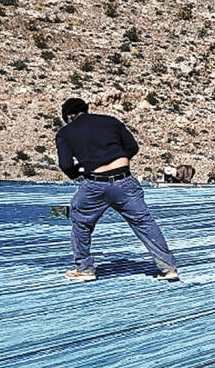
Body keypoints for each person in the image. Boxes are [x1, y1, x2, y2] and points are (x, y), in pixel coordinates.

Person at [54, 97, 179, 283]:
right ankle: (168, 268)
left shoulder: (65, 133)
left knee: (81, 221)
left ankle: (84, 269)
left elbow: (65, 164)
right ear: (85, 110)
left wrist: (79, 171)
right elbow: (132, 147)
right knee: (145, 223)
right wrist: (115, 160)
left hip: (95, 184)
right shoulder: (110, 121)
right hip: (125, 180)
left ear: (69, 116)